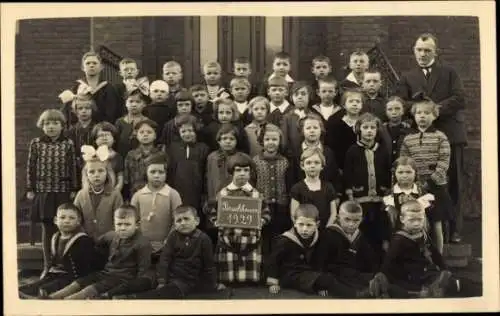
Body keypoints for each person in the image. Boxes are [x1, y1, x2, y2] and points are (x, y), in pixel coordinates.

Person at [395, 33, 467, 243]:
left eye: (427, 50)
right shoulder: (407, 76)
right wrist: (418, 108)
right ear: (414, 51)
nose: (423, 54)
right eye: (419, 49)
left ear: (436, 52)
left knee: (452, 183)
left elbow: (459, 98)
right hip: (421, 137)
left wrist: (434, 108)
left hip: (449, 134)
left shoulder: (449, 72)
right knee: (424, 182)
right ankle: (424, 229)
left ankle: (455, 229)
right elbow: (401, 103)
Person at [266, 203, 372, 298]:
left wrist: (319, 283)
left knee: (330, 275)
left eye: (309, 225)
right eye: (301, 224)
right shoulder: (285, 240)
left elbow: (319, 260)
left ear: (317, 225)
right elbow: (273, 261)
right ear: (294, 223)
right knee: (327, 279)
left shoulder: (319, 237)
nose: (304, 229)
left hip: (309, 272)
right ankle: (354, 295)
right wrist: (273, 282)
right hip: (290, 275)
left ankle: (365, 288)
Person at [49, 204, 152, 299]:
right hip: (105, 273)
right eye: (119, 224)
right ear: (114, 224)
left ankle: (68, 301)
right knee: (81, 281)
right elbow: (96, 244)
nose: (122, 228)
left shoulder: (142, 243)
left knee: (91, 288)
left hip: (123, 278)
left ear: (137, 224)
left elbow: (143, 271)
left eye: (127, 224)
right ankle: (53, 297)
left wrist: (130, 288)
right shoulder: (111, 235)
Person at [117, 206, 218, 299]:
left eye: (186, 219)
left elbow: (209, 265)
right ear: (175, 225)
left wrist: (213, 284)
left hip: (186, 280)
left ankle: (133, 298)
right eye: (179, 220)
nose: (183, 223)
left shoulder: (204, 239)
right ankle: (111, 293)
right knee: (145, 281)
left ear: (197, 221)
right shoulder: (173, 236)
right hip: (168, 274)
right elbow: (165, 259)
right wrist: (162, 280)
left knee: (165, 293)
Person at [370, 200, 459, 298]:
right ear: (402, 219)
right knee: (405, 288)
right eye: (412, 220)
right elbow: (389, 259)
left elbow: (435, 253)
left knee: (450, 281)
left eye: (420, 219)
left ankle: (440, 283)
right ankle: (429, 289)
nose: (416, 224)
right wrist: (382, 275)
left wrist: (444, 268)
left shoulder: (423, 233)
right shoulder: (399, 239)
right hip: (408, 274)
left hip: (425, 270)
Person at [26, 109, 78, 278]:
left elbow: (73, 168)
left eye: (55, 123)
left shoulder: (68, 144)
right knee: (48, 229)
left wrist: (73, 188)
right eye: (47, 124)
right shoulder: (36, 143)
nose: (51, 127)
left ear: (62, 126)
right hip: (44, 192)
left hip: (63, 192)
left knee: (65, 227)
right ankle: (48, 265)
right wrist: (30, 189)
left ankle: (64, 265)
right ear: (42, 126)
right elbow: (31, 167)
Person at [207, 153, 271, 286]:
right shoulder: (223, 193)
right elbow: (212, 213)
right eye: (238, 170)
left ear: (251, 172)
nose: (242, 173)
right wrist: (216, 221)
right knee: (228, 276)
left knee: (249, 280)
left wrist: (262, 221)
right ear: (231, 172)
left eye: (246, 170)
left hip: (250, 240)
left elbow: (266, 213)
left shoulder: (256, 194)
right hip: (228, 240)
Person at [399, 100, 452, 253]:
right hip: (416, 186)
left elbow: (444, 162)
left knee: (436, 222)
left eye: (427, 113)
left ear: (434, 116)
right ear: (414, 116)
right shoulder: (409, 139)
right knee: (417, 221)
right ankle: (420, 255)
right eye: (419, 113)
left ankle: (439, 256)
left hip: (435, 187)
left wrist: (431, 180)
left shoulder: (440, 137)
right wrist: (411, 181)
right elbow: (404, 161)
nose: (422, 116)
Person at [19, 203, 96, 299]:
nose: (67, 221)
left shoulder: (83, 240)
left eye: (72, 218)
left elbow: (87, 268)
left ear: (78, 221)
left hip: (73, 277)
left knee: (44, 289)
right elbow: (54, 261)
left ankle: (38, 299)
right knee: (28, 287)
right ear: (56, 220)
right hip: (56, 274)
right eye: (62, 217)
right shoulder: (55, 237)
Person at [343, 113, 392, 262]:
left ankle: (380, 263)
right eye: (365, 127)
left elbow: (388, 171)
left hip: (379, 198)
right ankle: (362, 262)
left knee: (379, 230)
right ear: (359, 130)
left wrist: (387, 191)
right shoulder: (352, 150)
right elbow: (347, 174)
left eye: (372, 128)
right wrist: (351, 195)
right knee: (362, 230)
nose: (369, 131)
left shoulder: (383, 150)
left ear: (377, 130)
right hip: (360, 198)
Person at [320, 201, 382, 295]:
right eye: (347, 220)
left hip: (354, 272)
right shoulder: (329, 234)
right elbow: (320, 261)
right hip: (334, 274)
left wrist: (375, 272)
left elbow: (370, 257)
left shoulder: (359, 235)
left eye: (356, 220)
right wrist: (321, 285)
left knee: (378, 277)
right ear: (338, 218)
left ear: (361, 219)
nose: (351, 224)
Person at [131, 152, 182, 259]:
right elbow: (133, 221)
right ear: (146, 173)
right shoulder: (138, 195)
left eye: (161, 172)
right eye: (153, 172)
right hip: (142, 246)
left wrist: (167, 242)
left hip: (167, 246)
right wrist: (141, 242)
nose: (157, 175)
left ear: (166, 173)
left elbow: (178, 221)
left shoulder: (173, 194)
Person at [383, 157, 439, 248]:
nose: (404, 176)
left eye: (408, 172)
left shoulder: (422, 193)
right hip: (397, 238)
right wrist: (385, 240)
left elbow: (431, 219)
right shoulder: (390, 195)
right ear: (394, 174)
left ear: (415, 173)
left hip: (420, 238)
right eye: (400, 172)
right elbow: (384, 221)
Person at [253, 124, 291, 253]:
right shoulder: (255, 161)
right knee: (264, 238)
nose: (271, 143)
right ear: (261, 141)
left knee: (279, 238)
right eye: (267, 139)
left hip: (281, 206)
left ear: (280, 141)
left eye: (274, 139)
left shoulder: (285, 161)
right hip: (262, 206)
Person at [165, 114, 210, 222]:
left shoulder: (203, 148)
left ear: (195, 131)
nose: (187, 134)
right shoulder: (172, 148)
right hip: (178, 188)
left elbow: (206, 171)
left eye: (190, 131)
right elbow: (170, 170)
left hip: (196, 190)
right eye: (183, 131)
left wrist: (204, 193)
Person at [59, 51, 121, 127]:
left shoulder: (108, 88)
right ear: (82, 67)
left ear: (101, 67)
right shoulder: (76, 88)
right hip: (79, 130)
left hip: (101, 131)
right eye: (88, 63)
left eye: (95, 63)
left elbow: (112, 113)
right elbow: (67, 113)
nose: (91, 65)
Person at [74, 145, 123, 240]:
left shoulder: (115, 194)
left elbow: (119, 219)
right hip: (86, 240)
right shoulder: (81, 195)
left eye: (101, 171)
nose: (96, 175)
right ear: (86, 175)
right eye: (92, 172)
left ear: (107, 173)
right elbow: (76, 218)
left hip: (110, 240)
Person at [289, 113, 341, 195]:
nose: (312, 131)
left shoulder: (328, 152)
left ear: (321, 130)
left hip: (325, 196)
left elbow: (334, 176)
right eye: (308, 128)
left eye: (315, 128)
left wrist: (336, 195)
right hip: (303, 196)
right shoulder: (296, 153)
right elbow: (292, 178)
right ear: (302, 131)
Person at [290, 148, 338, 230]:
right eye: (308, 163)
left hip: (325, 231)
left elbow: (333, 213)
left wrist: (327, 230)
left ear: (322, 166)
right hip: (304, 231)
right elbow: (294, 215)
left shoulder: (329, 187)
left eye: (316, 163)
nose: (312, 166)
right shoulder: (297, 188)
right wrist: (305, 229)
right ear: (302, 166)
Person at [325, 89, 363, 172]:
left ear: (362, 105)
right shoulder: (335, 123)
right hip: (341, 166)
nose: (354, 104)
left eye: (358, 101)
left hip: (362, 164)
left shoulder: (365, 123)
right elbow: (331, 146)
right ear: (344, 105)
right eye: (351, 101)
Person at [123, 119, 162, 199]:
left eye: (149, 132)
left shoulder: (161, 155)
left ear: (155, 136)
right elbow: (126, 180)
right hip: (135, 195)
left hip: (157, 195)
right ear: (136, 135)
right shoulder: (131, 155)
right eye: (141, 132)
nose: (145, 135)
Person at [65, 96, 97, 190]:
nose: (84, 111)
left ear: (92, 110)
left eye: (87, 108)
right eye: (80, 108)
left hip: (93, 165)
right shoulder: (71, 131)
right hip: (76, 168)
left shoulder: (97, 128)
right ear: (75, 111)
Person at [280, 82, 314, 161]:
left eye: (303, 94)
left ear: (309, 96)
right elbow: (284, 141)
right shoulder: (287, 117)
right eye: (296, 94)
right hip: (292, 158)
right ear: (291, 97)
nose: (300, 97)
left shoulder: (314, 116)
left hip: (311, 157)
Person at [114, 87, 150, 158]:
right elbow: (116, 142)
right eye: (131, 101)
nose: (134, 105)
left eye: (138, 102)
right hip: (122, 157)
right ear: (126, 103)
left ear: (144, 104)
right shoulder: (120, 122)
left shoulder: (148, 122)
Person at [91, 122, 124, 193]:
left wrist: (116, 191)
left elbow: (120, 177)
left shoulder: (118, 157)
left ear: (114, 139)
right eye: (100, 135)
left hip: (113, 193)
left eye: (107, 135)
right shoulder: (91, 156)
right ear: (95, 140)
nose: (104, 138)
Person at [383, 96, 414, 163]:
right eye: (390, 109)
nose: (394, 112)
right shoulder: (381, 130)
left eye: (397, 109)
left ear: (403, 111)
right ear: (386, 112)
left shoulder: (409, 130)